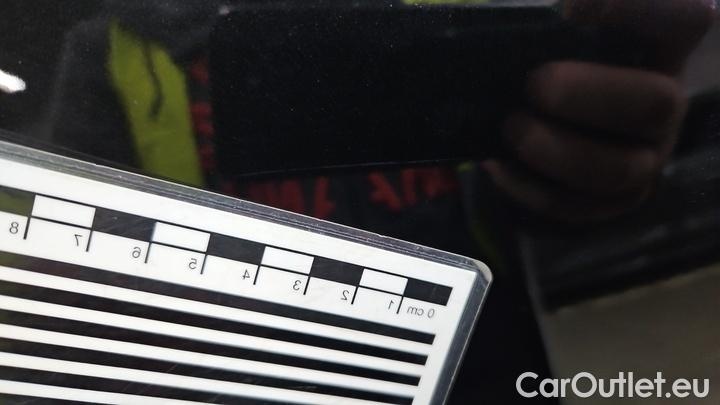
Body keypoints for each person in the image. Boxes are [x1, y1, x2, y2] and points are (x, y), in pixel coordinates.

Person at [47, 0, 716, 402]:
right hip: (274, 380)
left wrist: (588, 174)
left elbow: (515, 201)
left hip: (481, 356)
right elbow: (93, 279)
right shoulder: (112, 50)